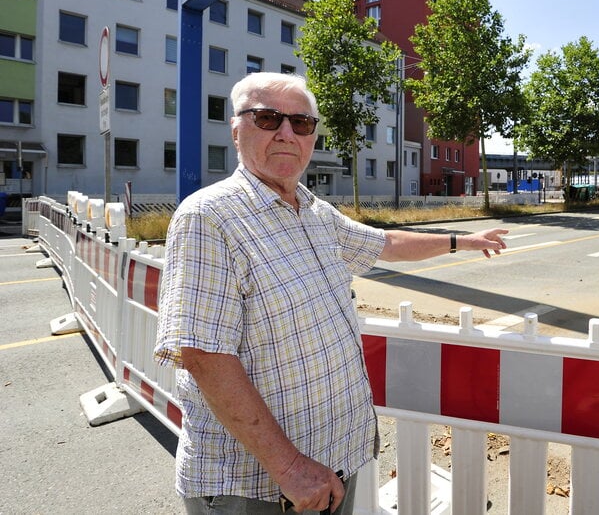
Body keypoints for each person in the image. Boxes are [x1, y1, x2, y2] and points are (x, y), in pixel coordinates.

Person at [154, 72, 507, 514]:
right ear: (235, 128)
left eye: (301, 123)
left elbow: (387, 244)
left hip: (335, 465)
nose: (287, 133)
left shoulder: (315, 212)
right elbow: (204, 355)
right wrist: (289, 467)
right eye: (268, 118)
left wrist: (462, 241)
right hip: (259, 487)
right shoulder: (209, 218)